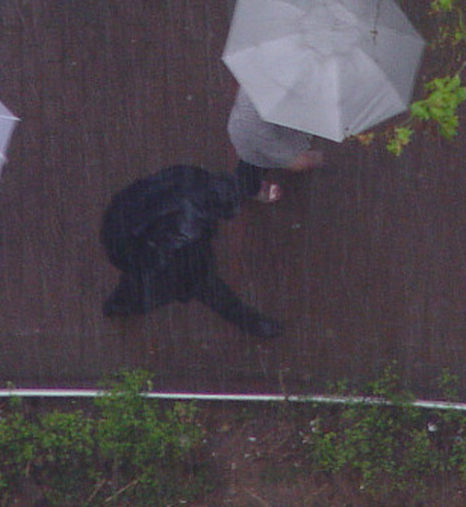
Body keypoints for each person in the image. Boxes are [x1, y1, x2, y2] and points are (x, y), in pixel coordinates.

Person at [99, 164, 282, 338]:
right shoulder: (189, 223)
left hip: (121, 227)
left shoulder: (190, 178)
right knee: (206, 288)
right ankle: (251, 323)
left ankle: (121, 302)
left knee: (141, 282)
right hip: (143, 248)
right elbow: (172, 248)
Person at [226, 88, 326, 203]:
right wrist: (321, 158)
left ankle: (248, 185)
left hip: (262, 131)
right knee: (255, 163)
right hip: (257, 140)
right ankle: (249, 189)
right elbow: (296, 162)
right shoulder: (256, 129)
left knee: (255, 161)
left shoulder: (261, 83)